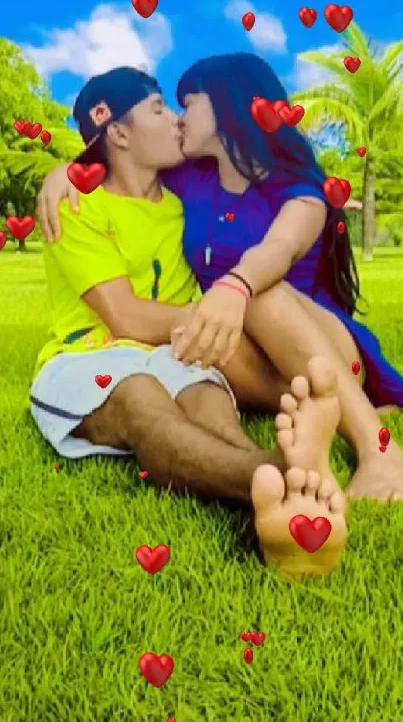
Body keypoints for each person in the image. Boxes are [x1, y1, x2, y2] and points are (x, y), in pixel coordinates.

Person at [37, 55, 403, 502]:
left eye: (186, 104)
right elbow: (117, 159)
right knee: (192, 346)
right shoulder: (190, 181)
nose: (177, 118)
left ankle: (378, 451)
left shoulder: (299, 191)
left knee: (257, 297)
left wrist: (236, 287)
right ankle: (283, 469)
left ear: (226, 106)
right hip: (244, 347)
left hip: (320, 348)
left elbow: (278, 250)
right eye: (166, 107)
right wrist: (62, 173)